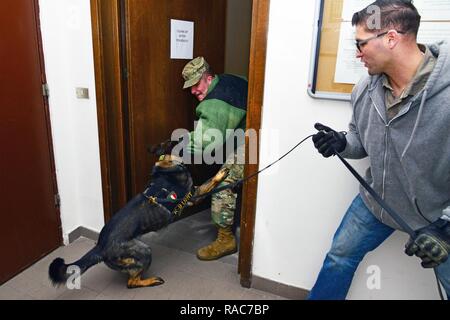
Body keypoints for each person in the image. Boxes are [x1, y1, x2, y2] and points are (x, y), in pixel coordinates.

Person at [308, 0, 450, 299]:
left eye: (361, 43)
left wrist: (446, 226)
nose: (357, 53)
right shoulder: (364, 88)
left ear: (391, 38)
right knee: (339, 257)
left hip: (439, 215)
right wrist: (342, 143)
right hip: (378, 201)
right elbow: (360, 139)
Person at [180, 56, 247, 261]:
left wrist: (176, 148)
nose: (193, 91)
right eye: (189, 87)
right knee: (218, 164)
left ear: (209, 79)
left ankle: (225, 239)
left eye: (196, 85)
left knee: (222, 182)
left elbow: (203, 142)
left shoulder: (215, 102)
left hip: (253, 144)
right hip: (253, 131)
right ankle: (202, 192)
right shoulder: (231, 79)